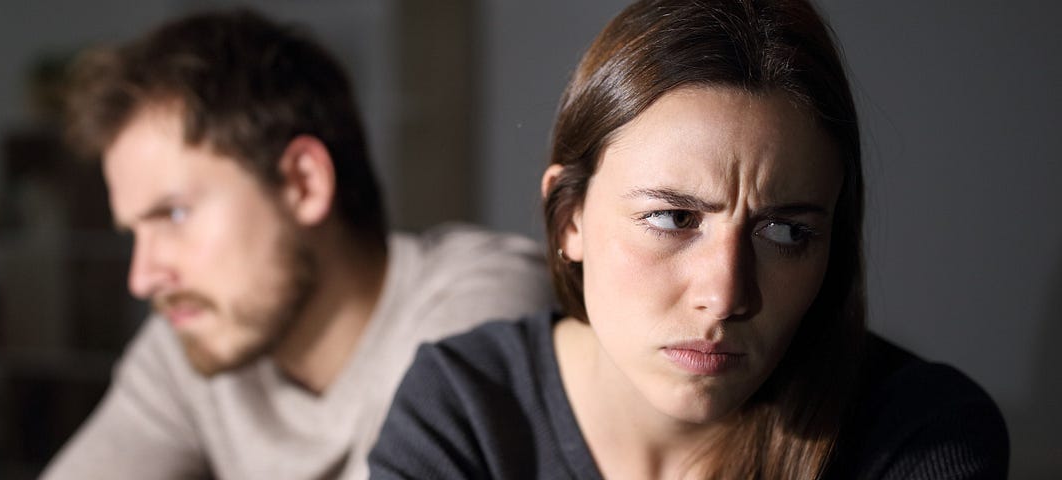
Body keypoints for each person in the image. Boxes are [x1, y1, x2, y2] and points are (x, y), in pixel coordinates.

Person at [368, 0, 1010, 478]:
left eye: (786, 231)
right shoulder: (465, 410)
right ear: (570, 220)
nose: (726, 294)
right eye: (673, 218)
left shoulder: (917, 434)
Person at [41, 9, 553, 480]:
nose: (143, 277)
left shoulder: (482, 302)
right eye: (134, 233)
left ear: (303, 183)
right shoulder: (189, 338)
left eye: (174, 214)